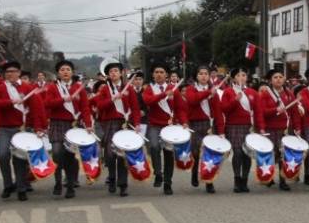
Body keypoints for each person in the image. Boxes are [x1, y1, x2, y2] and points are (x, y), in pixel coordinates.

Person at [0, 61, 48, 201]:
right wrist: (11, 102)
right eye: (8, 72)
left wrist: (38, 128)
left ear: (19, 73)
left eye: (14, 71)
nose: (11, 74)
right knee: (3, 155)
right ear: (4, 74)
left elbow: (36, 109)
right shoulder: (0, 89)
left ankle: (21, 188)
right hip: (5, 128)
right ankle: (8, 184)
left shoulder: (28, 88)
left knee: (20, 159)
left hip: (21, 129)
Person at [43, 60, 93, 199]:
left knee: (70, 156)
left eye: (68, 69)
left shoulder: (79, 88)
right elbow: (47, 103)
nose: (65, 72)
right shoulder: (53, 88)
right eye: (62, 70)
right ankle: (58, 182)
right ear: (58, 73)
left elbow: (85, 108)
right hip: (57, 124)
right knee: (57, 153)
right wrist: (63, 99)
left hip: (73, 125)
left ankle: (70, 185)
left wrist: (88, 124)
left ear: (72, 72)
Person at [93, 59, 141, 197]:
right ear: (107, 75)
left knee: (122, 154)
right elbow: (99, 106)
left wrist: (137, 123)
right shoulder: (104, 90)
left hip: (124, 123)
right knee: (110, 153)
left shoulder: (129, 89)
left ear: (121, 73)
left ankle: (123, 184)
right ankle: (112, 178)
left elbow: (135, 108)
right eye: (111, 72)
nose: (113, 73)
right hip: (109, 123)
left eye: (116, 71)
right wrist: (112, 99)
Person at [141, 63, 188, 195]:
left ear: (166, 75)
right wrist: (164, 94)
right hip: (155, 125)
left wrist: (183, 122)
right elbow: (148, 101)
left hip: (170, 126)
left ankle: (168, 183)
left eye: (162, 72)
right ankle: (158, 173)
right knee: (154, 147)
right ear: (153, 75)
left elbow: (180, 109)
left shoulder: (174, 89)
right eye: (156, 72)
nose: (159, 74)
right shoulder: (149, 88)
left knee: (169, 154)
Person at [220, 67, 266, 193]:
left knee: (247, 155)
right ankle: (237, 179)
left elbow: (258, 112)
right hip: (233, 126)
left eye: (244, 75)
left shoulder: (253, 93)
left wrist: (261, 128)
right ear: (234, 78)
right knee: (238, 153)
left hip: (249, 126)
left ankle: (245, 180)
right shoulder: (228, 92)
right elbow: (224, 109)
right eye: (239, 75)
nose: (242, 78)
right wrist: (235, 100)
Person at [184, 65, 221, 194]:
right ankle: (195, 170)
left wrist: (221, 131)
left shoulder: (214, 91)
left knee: (209, 154)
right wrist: (208, 93)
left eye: (206, 73)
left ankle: (209, 181)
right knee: (195, 152)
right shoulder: (190, 89)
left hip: (209, 125)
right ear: (196, 76)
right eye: (201, 74)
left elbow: (217, 112)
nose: (204, 76)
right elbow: (192, 100)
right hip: (194, 125)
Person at [260, 68, 299, 191]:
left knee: (284, 155)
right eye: (275, 77)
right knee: (272, 154)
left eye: (280, 77)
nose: (278, 79)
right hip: (270, 128)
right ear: (271, 81)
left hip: (285, 129)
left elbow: (294, 112)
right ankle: (269, 177)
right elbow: (262, 112)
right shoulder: (265, 94)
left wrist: (297, 127)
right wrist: (275, 110)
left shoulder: (289, 94)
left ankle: (283, 180)